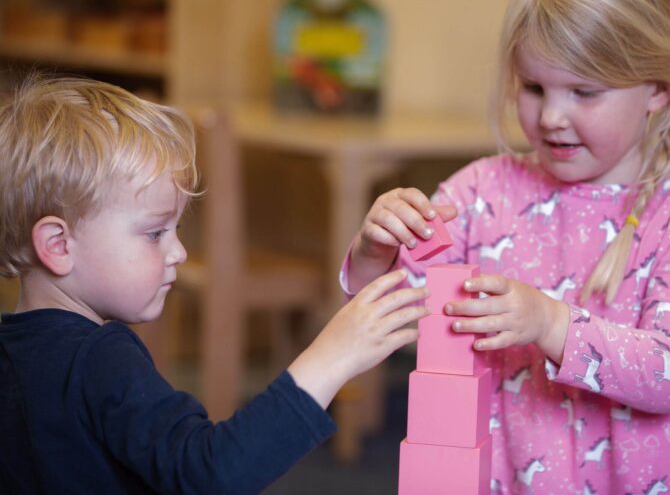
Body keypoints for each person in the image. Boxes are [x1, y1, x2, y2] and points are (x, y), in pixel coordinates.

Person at [341, 0, 670, 493]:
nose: (550, 117)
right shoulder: (481, 191)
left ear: (658, 89)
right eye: (534, 88)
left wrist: (548, 321)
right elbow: (396, 312)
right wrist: (375, 251)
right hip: (507, 476)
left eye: (584, 92)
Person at [0, 76, 427, 494]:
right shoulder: (100, 357)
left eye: (176, 229)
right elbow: (211, 472)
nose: (178, 253)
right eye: (154, 233)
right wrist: (332, 356)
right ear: (57, 245)